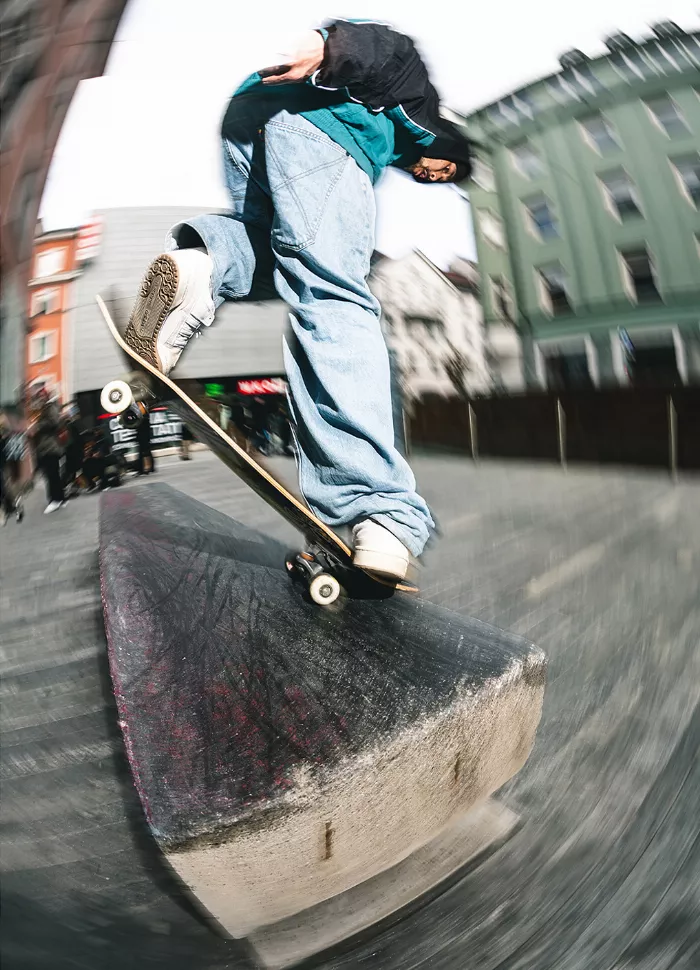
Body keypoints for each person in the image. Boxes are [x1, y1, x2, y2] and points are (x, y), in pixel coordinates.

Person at [123, 19, 471, 580]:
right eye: (441, 171)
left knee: (286, 261)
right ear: (450, 148)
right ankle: (376, 507)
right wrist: (331, 48)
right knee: (336, 294)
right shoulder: (422, 113)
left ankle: (199, 269)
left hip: (250, 119)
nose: (429, 175)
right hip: (319, 124)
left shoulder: (384, 136)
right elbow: (392, 51)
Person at [28, 391, 65, 513]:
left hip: (50, 447)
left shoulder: (50, 408)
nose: (39, 400)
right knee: (51, 474)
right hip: (43, 448)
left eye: (41, 397)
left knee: (51, 474)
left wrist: (37, 427)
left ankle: (54, 500)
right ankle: (59, 498)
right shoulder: (39, 411)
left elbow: (55, 423)